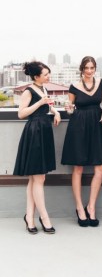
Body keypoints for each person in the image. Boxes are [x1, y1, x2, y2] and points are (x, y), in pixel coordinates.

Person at [61, 56, 102, 227]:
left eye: (92, 68)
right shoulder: (74, 86)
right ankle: (79, 209)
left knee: (101, 169)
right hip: (78, 127)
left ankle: (91, 207)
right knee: (78, 168)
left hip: (96, 126)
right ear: (81, 69)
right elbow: (70, 108)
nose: (89, 71)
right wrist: (68, 109)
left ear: (95, 68)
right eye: (86, 68)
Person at [13, 61, 61, 234]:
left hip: (44, 130)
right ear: (36, 76)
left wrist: (55, 112)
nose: (49, 76)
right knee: (39, 178)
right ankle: (44, 217)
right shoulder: (28, 91)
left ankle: (29, 217)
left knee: (34, 179)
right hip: (34, 132)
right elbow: (21, 113)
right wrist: (40, 102)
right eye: (46, 74)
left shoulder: (43, 88)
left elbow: (47, 105)